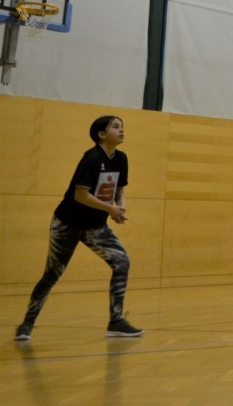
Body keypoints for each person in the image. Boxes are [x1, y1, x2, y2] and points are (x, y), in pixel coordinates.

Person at [15, 116, 142, 341]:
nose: (122, 130)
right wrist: (110, 208)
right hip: (67, 224)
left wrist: (120, 206)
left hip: (95, 226)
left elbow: (119, 189)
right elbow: (80, 195)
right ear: (101, 134)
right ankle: (27, 323)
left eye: (123, 127)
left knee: (122, 262)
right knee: (52, 274)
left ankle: (116, 321)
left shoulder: (121, 158)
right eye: (115, 127)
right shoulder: (91, 159)